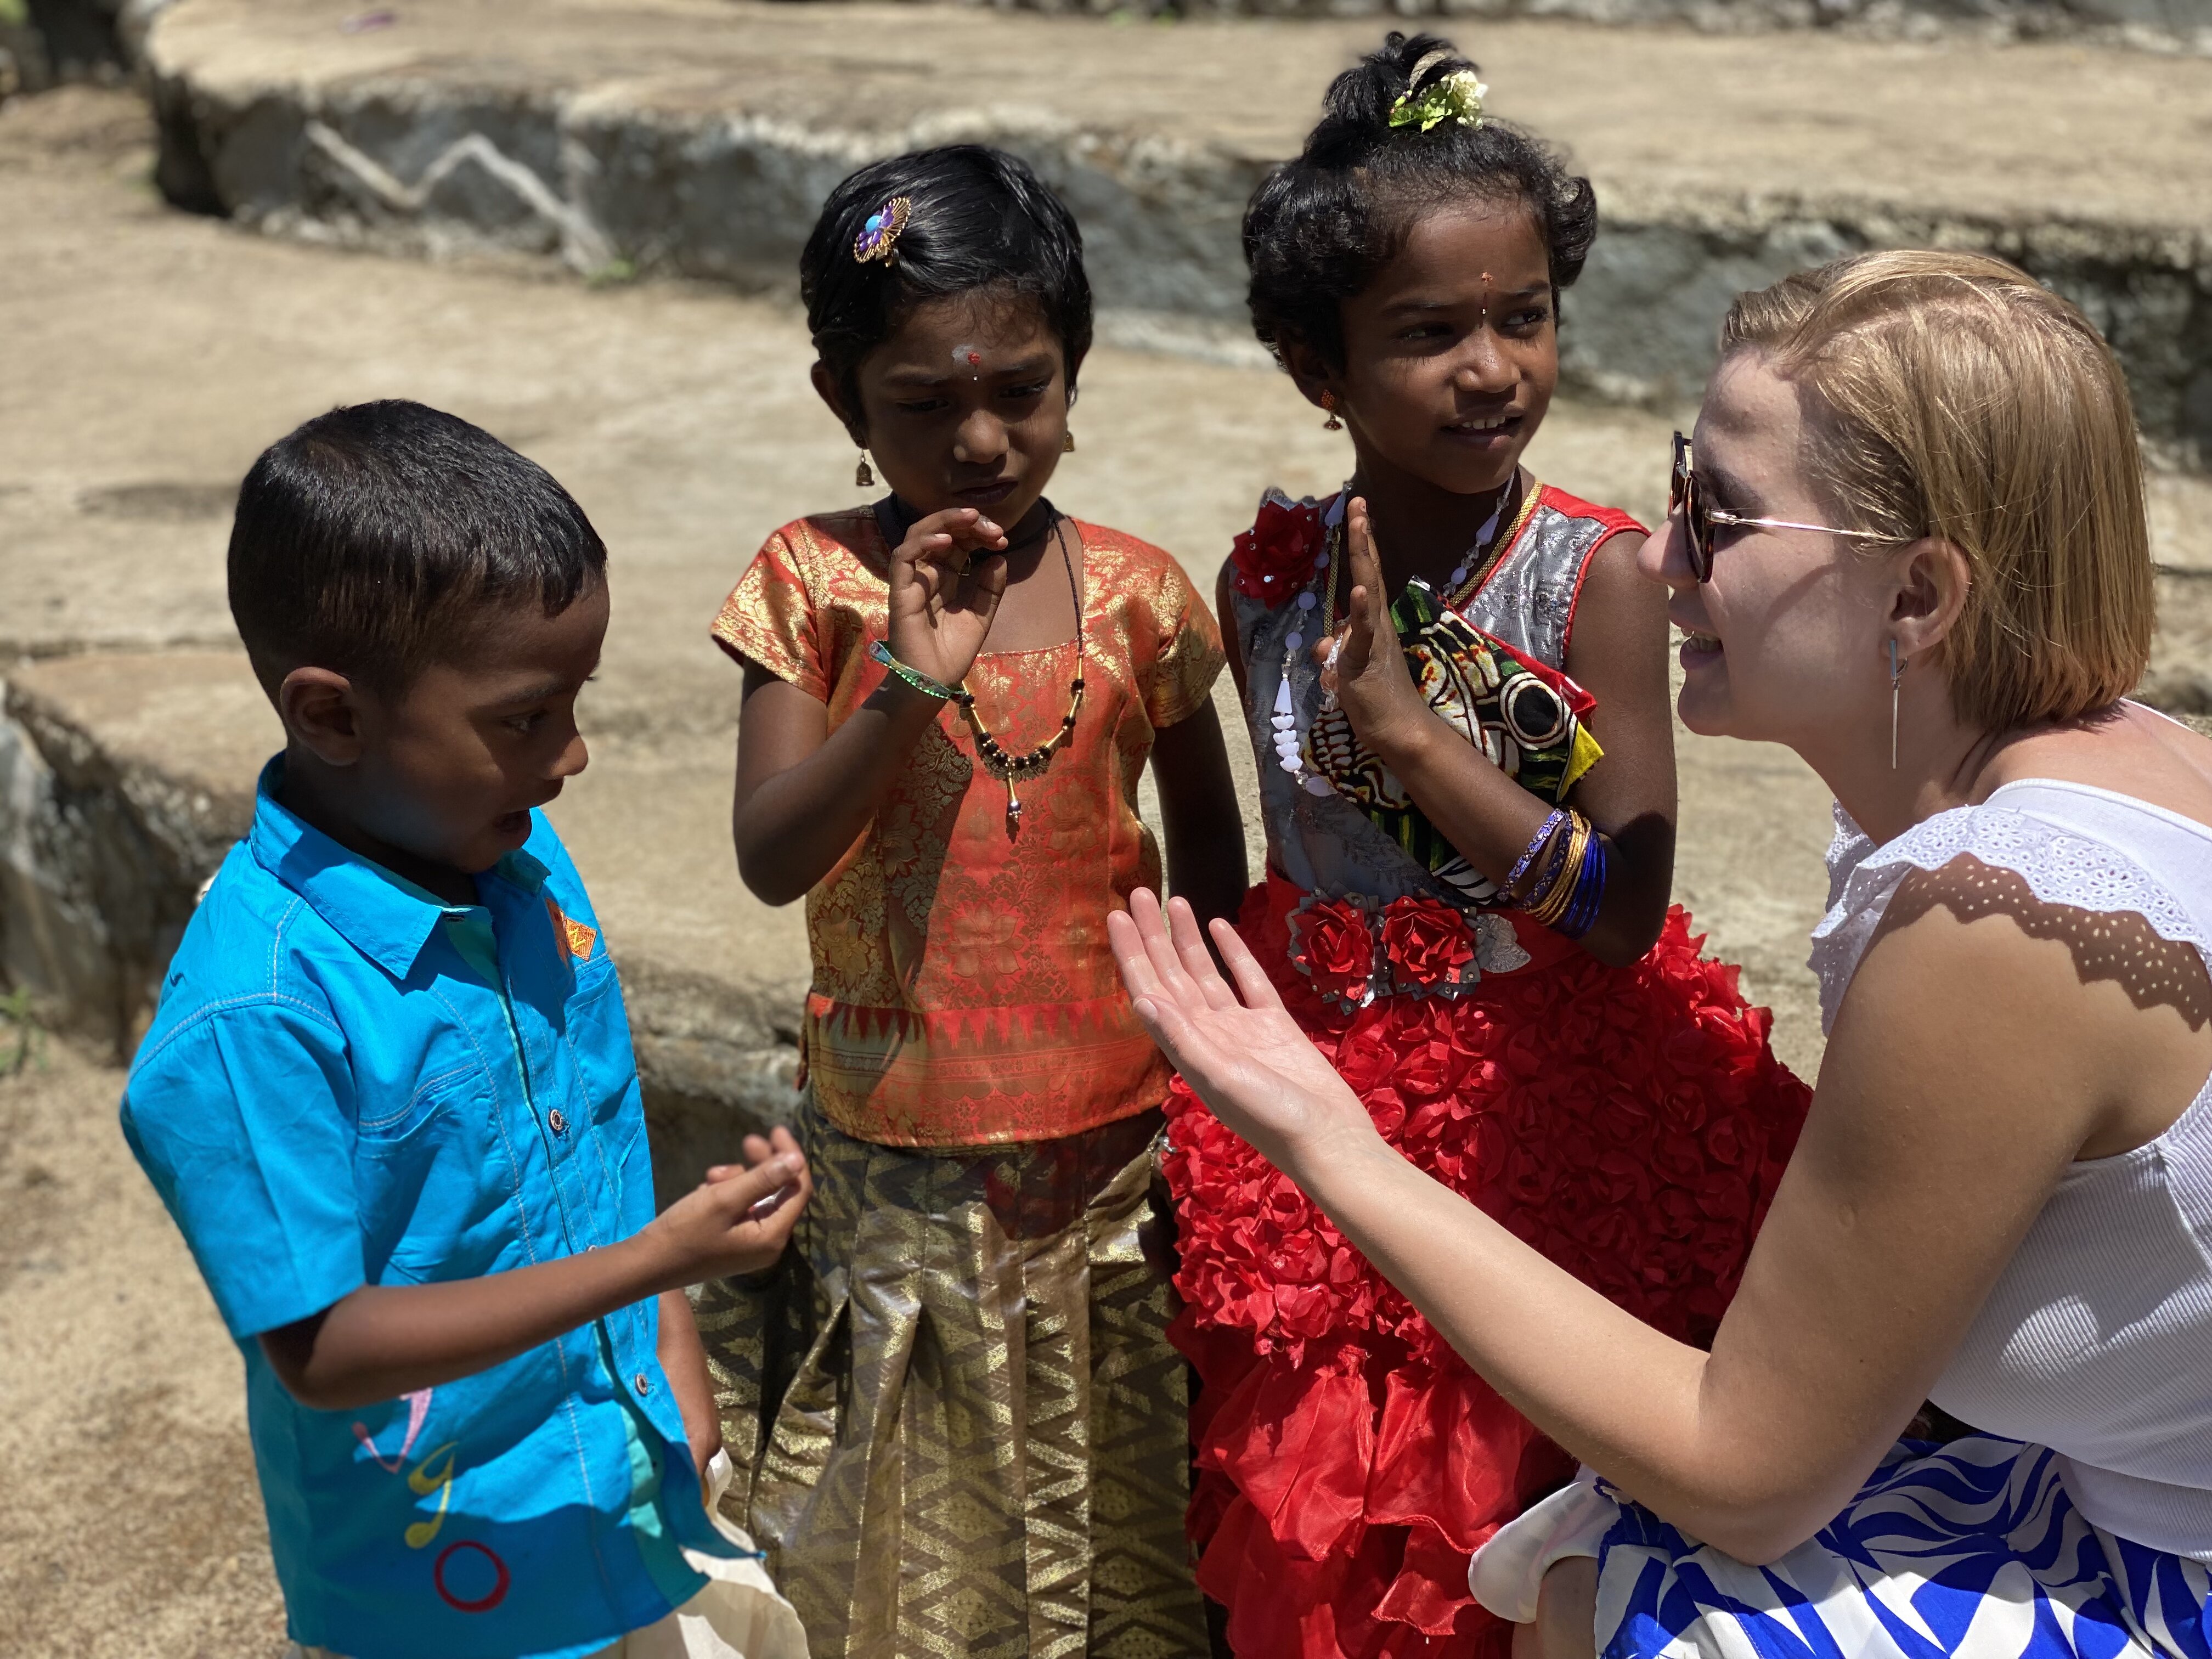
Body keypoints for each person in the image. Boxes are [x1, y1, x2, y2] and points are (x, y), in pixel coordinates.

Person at [1113, 246, 2212, 1659]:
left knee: (1639, 1581)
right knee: (1592, 1547)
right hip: (2130, 1493)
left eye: (1724, 519)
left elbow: (1744, 1477)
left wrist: (1329, 1138)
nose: (1660, 552)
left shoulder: (2000, 921)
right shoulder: (2131, 752)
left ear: (1920, 598)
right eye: (1682, 490)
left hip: (2172, 1570)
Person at [1166, 32, 1812, 1655]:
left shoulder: (1592, 575)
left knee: (1523, 1498)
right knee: (1333, 1509)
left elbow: (1618, 904)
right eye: (1429, 333)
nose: (1492, 368)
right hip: (1326, 1085)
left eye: (1523, 318)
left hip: (1554, 1098)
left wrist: (1408, 735)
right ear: (1319, 369)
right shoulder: (1267, 581)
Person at [119, 400, 811, 1659]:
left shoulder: (520, 864)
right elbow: (326, 1349)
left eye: (574, 703)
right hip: (450, 1589)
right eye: (525, 718)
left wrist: (675, 1368)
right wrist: (662, 1267)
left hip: (629, 1495)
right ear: (332, 715)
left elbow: (590, 1130)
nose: (575, 754)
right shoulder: (255, 1013)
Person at [696, 145, 1246, 1657]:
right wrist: (903, 687)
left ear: (1075, 373)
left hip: (1115, 1150)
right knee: (911, 1528)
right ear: (843, 408)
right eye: (922, 407)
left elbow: (1211, 848)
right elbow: (770, 855)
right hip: (902, 1156)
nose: (984, 439)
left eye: (1023, 389)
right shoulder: (809, 588)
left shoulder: (1140, 595)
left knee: (1121, 1506)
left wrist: (1211, 1066)